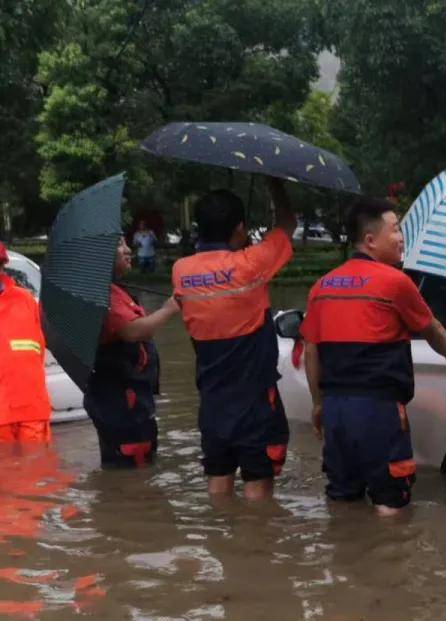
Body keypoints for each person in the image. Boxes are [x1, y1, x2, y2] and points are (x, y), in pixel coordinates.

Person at [300, 197, 446, 515]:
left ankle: (343, 562)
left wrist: (318, 404)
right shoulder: (394, 282)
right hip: (378, 411)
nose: (401, 237)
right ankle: (388, 561)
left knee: (342, 499)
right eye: (395, 229)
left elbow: (312, 351)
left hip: (335, 410)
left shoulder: (321, 287)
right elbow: (431, 327)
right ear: (370, 239)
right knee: (390, 502)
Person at [172, 178, 297, 501]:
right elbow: (287, 225)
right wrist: (275, 183)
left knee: (218, 483)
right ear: (239, 228)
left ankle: (222, 546)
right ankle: (254, 550)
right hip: (255, 403)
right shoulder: (252, 264)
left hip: (213, 403)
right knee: (258, 487)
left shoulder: (181, 271)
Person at [85, 237, 179, 468]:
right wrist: (169, 309)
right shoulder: (103, 294)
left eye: (126, 243)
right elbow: (133, 331)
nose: (128, 250)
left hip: (126, 397)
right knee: (135, 467)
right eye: (119, 244)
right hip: (122, 400)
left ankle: (121, 500)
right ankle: (134, 501)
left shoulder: (114, 289)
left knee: (125, 464)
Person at [0, 240, 52, 443]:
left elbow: (37, 350)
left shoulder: (26, 300)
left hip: (31, 411)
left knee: (35, 470)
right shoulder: (26, 300)